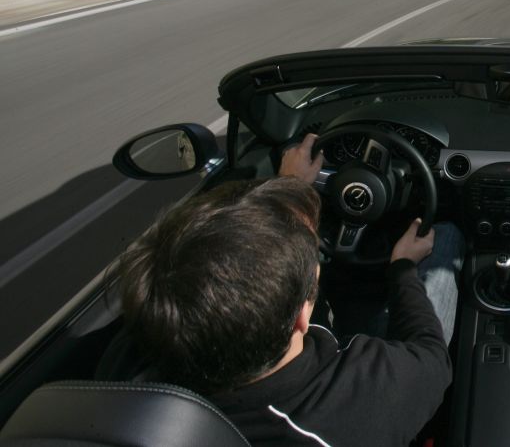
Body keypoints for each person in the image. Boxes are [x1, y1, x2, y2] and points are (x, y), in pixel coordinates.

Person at [110, 134, 461, 446]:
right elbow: (430, 354)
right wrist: (402, 267)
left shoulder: (129, 375)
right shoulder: (367, 395)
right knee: (446, 235)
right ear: (301, 317)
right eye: (313, 274)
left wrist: (288, 187)